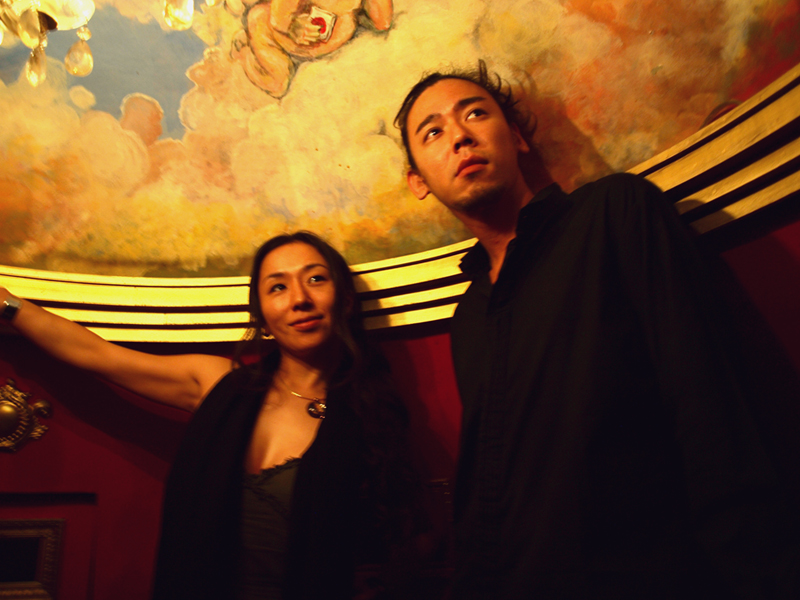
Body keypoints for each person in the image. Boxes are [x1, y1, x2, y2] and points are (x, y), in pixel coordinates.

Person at [394, 62, 800, 598]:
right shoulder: (470, 316)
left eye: (474, 113)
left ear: (516, 137)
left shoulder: (613, 212)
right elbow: (488, 486)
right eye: (433, 132)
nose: (460, 136)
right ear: (418, 182)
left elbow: (709, 401)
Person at [0, 231, 414, 600]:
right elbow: (96, 354)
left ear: (346, 300)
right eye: (278, 287)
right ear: (262, 318)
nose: (299, 298)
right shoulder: (218, 384)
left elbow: (398, 544)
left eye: (316, 279)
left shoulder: (370, 415)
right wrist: (7, 305)